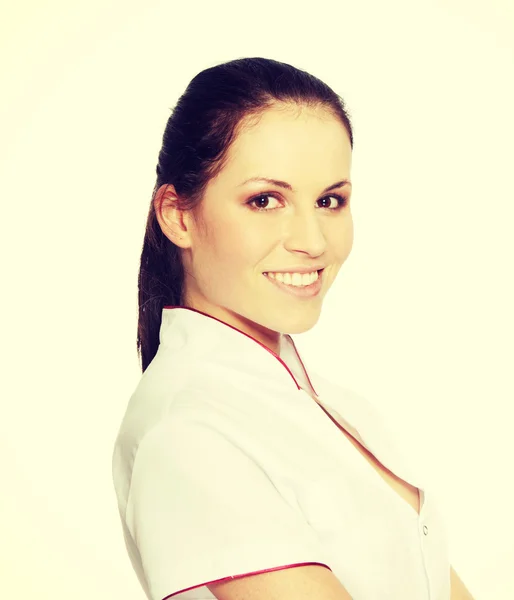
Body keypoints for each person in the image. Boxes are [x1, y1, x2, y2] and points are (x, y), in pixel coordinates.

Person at [111, 57, 475, 600]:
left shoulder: (325, 404)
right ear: (177, 216)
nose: (313, 240)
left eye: (331, 201)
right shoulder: (189, 434)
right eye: (265, 200)